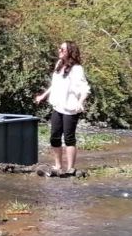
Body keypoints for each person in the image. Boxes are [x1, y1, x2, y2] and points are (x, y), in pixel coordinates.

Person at [34, 40, 91, 176]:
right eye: (59, 48)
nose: (59, 51)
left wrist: (81, 101)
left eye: (62, 49)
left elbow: (85, 88)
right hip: (58, 106)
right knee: (54, 137)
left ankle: (70, 168)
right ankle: (58, 166)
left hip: (71, 107)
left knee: (69, 138)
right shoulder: (59, 64)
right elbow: (55, 84)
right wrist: (43, 96)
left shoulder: (77, 69)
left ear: (70, 52)